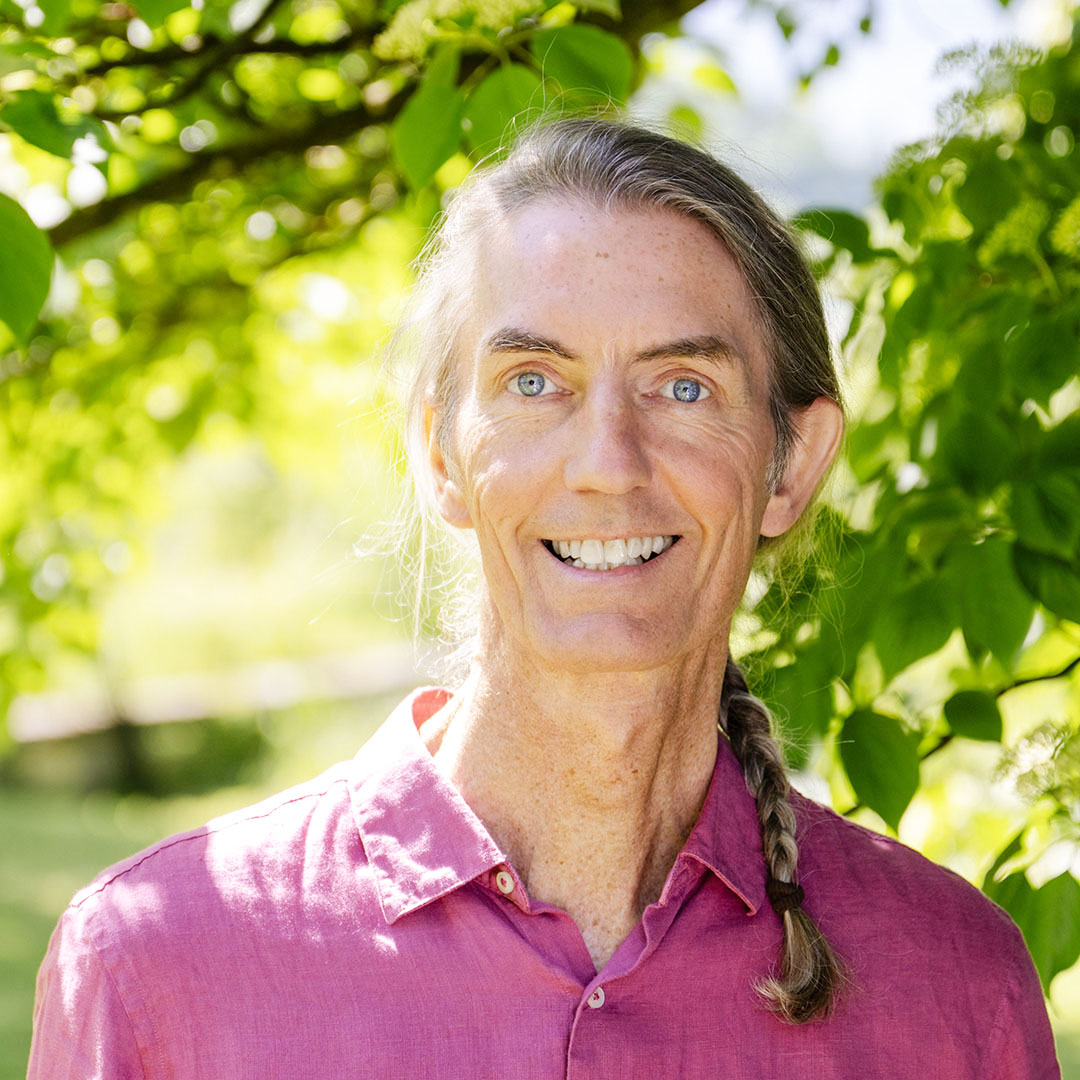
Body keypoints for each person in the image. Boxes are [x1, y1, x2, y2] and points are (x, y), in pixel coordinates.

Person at [29, 116, 1060, 1079]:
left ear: (792, 466)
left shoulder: (954, 983)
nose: (609, 464)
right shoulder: (159, 964)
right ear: (440, 454)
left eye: (683, 387)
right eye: (534, 381)